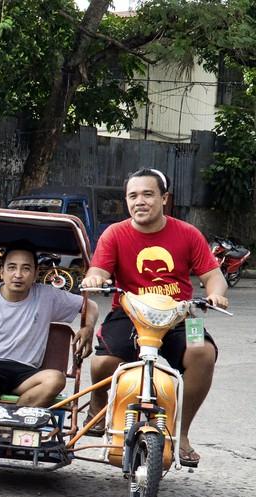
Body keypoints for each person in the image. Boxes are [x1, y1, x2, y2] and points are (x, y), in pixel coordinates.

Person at [80, 168, 227, 467]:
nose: (140, 201)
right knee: (103, 362)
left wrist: (216, 293)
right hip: (129, 312)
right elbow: (98, 270)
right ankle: (98, 404)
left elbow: (214, 277)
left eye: (148, 194)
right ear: (126, 201)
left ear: (164, 198)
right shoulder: (115, 233)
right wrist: (95, 279)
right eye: (133, 196)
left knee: (204, 353)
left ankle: (181, 433)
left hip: (184, 314)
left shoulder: (187, 233)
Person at [0, 244, 98, 406]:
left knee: (56, 379)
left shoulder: (47, 296)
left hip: (26, 375)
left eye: (25, 269)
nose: (18, 275)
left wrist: (88, 327)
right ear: (2, 271)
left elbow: (91, 306)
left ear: (35, 274)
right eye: (12, 268)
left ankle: (8, 424)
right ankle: (1, 427)